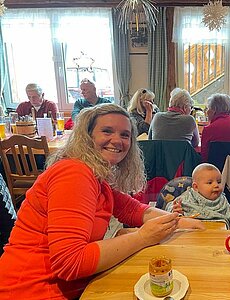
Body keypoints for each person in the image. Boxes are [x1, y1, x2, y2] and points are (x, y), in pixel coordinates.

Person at [0, 103, 204, 299]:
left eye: (125, 135)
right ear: (87, 137)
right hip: (29, 289)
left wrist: (183, 222)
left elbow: (133, 210)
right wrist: (143, 237)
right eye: (107, 131)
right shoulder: (74, 173)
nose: (117, 140)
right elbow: (70, 262)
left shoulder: (96, 177)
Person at [166, 163, 230, 228]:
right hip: (192, 233)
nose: (216, 185)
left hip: (218, 231)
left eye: (219, 182)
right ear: (196, 187)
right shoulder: (187, 198)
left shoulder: (222, 199)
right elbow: (169, 208)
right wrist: (175, 210)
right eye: (210, 183)